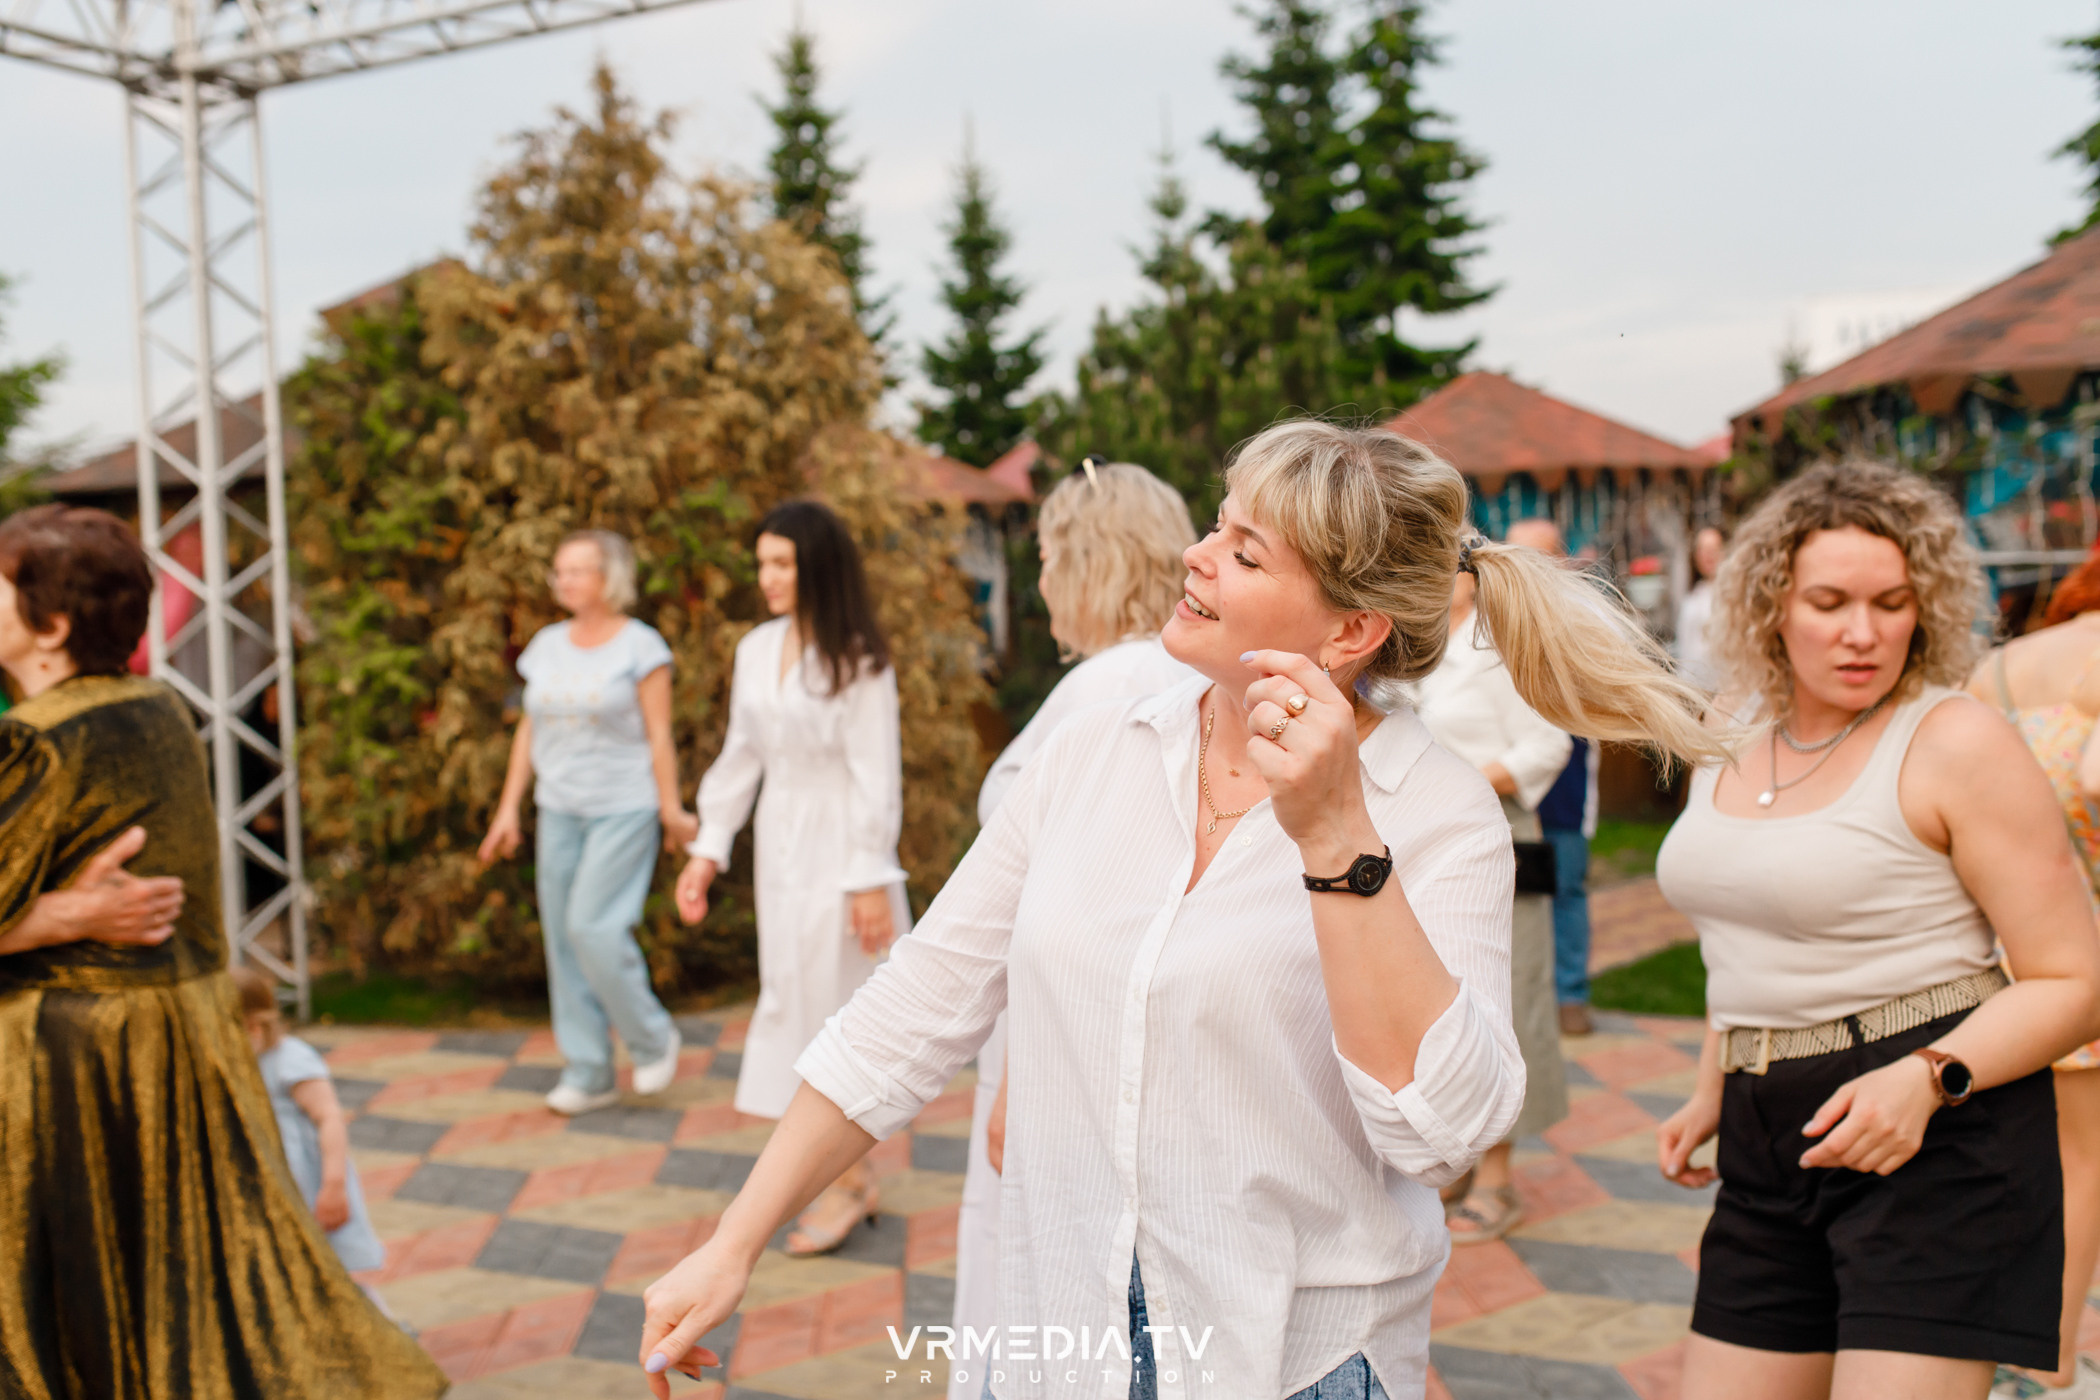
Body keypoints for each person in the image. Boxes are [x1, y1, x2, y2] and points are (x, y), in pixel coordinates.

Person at [640, 419, 1723, 1400]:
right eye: (1217, 526)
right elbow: (913, 1010)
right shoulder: (1093, 751)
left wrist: (1338, 840)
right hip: (1061, 1337)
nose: (1197, 557)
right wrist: (734, 1240)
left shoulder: (1434, 813)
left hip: (1290, 1361)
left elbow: (1445, 1133)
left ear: (1350, 630)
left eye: (1246, 553)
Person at [1653, 461, 2100, 1398]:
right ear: (1772, 607)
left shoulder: (1957, 740)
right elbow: (1749, 929)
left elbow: (2077, 981)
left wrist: (1929, 1078)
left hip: (1936, 1136)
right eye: (1830, 603)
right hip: (1766, 1136)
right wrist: (1711, 1087)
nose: (1863, 633)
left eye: (1892, 604)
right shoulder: (1730, 724)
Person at [0, 504, 444, 1398]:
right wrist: (60, 914)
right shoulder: (159, 707)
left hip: (76, 1061)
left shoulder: (37, 740)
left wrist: (49, 921)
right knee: (179, 1289)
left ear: (50, 628)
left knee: (75, 1298)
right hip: (180, 1040)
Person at [953, 458, 1197, 1400]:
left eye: (1050, 559)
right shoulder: (1174, 671)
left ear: (1090, 561)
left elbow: (1092, 899)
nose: (1042, 583)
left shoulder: (1109, 687)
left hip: (1060, 1037)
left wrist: (1023, 1073)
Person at [674, 498, 908, 1258]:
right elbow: (741, 756)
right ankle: (841, 1179)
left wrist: (868, 876)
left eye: (782, 563)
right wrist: (708, 851)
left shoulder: (859, 659)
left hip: (843, 857)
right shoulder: (756, 648)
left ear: (817, 566)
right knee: (791, 1002)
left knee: (835, 1016)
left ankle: (842, 1183)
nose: (767, 577)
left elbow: (876, 774)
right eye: (762, 563)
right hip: (781, 850)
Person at [480, 528, 694, 1116]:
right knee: (562, 940)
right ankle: (590, 1071)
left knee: (593, 927)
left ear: (610, 577)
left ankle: (652, 1037)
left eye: (577, 570)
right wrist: (508, 808)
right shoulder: (546, 646)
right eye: (560, 571)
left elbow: (659, 735)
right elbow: (530, 728)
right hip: (559, 810)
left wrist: (670, 809)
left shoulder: (641, 647)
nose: (564, 581)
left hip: (622, 807)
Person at [1966, 554, 2100, 1399]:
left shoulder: (2002, 670)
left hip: (1999, 948)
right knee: (2082, 1165)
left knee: (2015, 1157)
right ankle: (2043, 1365)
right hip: (2084, 951)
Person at [1416, 526, 1573, 1244]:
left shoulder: (1502, 648)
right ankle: (1456, 1157)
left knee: (1509, 997)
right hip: (1422, 838)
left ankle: (1500, 1176)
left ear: (1471, 574)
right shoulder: (1414, 647)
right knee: (1441, 999)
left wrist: (1464, 784)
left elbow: (1549, 742)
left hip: (1500, 829)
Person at [230, 963, 389, 1302]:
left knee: (330, 1273)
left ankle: (369, 1323)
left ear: (255, 1025)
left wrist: (333, 1185)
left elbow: (329, 1117)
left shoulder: (289, 1059)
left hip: (307, 1186)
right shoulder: (236, 1063)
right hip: (264, 1189)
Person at [1504, 517, 1600, 1036]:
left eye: (1535, 556)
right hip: (1504, 776)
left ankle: (1570, 994)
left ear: (1560, 560)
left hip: (1564, 778)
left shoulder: (1584, 617)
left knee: (1564, 884)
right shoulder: (1492, 614)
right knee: (1513, 893)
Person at [1674, 524, 1726, 691]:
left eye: (1713, 549)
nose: (1708, 556)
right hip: (1694, 688)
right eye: (1703, 550)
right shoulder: (1692, 596)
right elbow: (1684, 646)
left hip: (1723, 689)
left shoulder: (1732, 595)